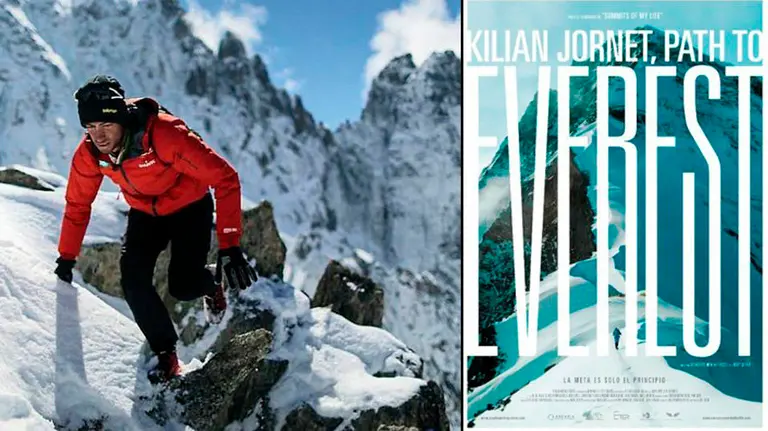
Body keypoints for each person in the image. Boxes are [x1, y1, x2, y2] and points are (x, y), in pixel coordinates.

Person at [53, 75, 258, 383]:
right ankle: (167, 355)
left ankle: (211, 284)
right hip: (145, 212)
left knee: (183, 286)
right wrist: (66, 258)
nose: (99, 135)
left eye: (106, 125)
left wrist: (230, 245)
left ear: (121, 118)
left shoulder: (163, 134)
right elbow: (77, 205)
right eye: (90, 128)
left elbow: (225, 178)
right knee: (133, 280)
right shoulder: (91, 154)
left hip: (190, 205)